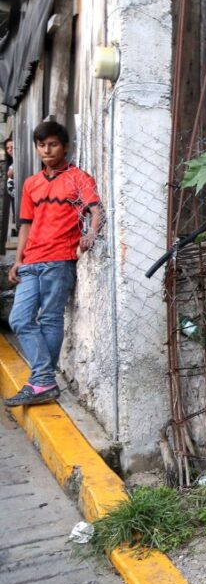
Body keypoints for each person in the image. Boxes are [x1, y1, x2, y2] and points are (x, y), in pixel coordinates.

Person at [4, 121, 103, 407]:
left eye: (53, 144)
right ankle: (44, 379)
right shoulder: (31, 184)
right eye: (41, 145)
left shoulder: (78, 178)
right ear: (37, 148)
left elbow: (96, 211)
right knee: (19, 319)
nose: (47, 150)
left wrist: (90, 234)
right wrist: (18, 259)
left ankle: (40, 383)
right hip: (31, 261)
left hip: (59, 260)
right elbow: (25, 224)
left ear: (65, 147)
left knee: (49, 318)